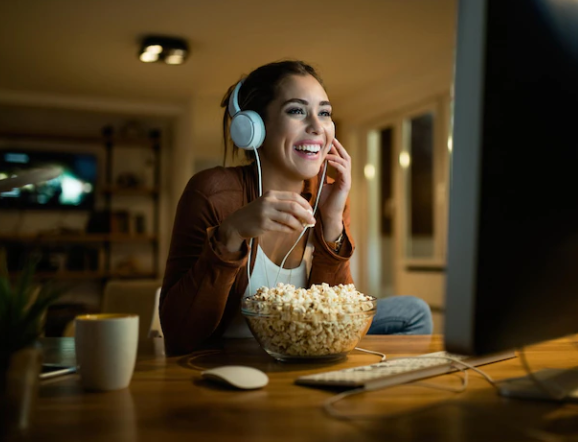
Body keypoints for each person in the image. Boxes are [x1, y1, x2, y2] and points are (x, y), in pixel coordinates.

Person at [159, 60, 432, 355]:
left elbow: (335, 313)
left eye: (324, 113)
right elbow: (179, 336)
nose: (317, 127)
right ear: (254, 128)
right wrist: (231, 233)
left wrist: (332, 226)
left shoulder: (326, 195)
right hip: (238, 354)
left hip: (308, 345)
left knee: (414, 312)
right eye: (296, 111)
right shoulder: (213, 193)